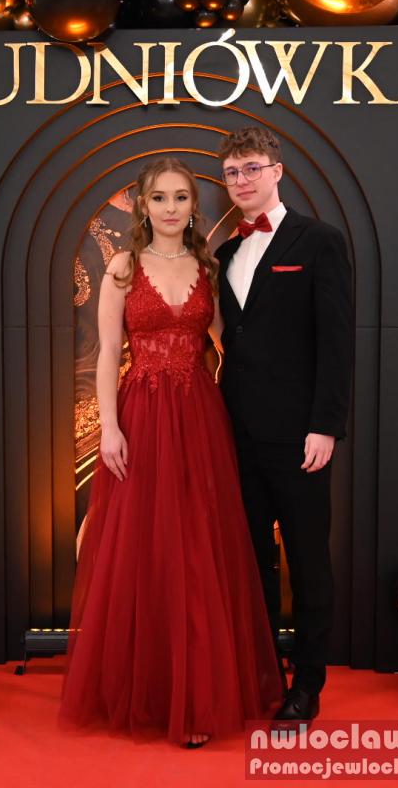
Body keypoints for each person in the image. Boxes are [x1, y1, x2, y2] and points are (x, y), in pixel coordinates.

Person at [59, 157, 283, 748]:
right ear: (142, 205)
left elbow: (232, 345)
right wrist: (109, 428)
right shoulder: (123, 267)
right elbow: (108, 353)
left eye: (181, 197)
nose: (170, 208)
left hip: (201, 419)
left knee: (197, 548)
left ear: (193, 206)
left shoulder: (209, 267)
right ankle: (149, 691)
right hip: (141, 417)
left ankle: (198, 695)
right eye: (159, 197)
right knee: (146, 549)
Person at [214, 126, 354, 725]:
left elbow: (336, 341)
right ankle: (264, 672)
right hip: (237, 435)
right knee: (252, 564)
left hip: (301, 437)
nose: (241, 180)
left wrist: (326, 425)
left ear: (276, 171)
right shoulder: (225, 254)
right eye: (231, 173)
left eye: (251, 168)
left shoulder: (319, 241)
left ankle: (308, 685)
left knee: (308, 561)